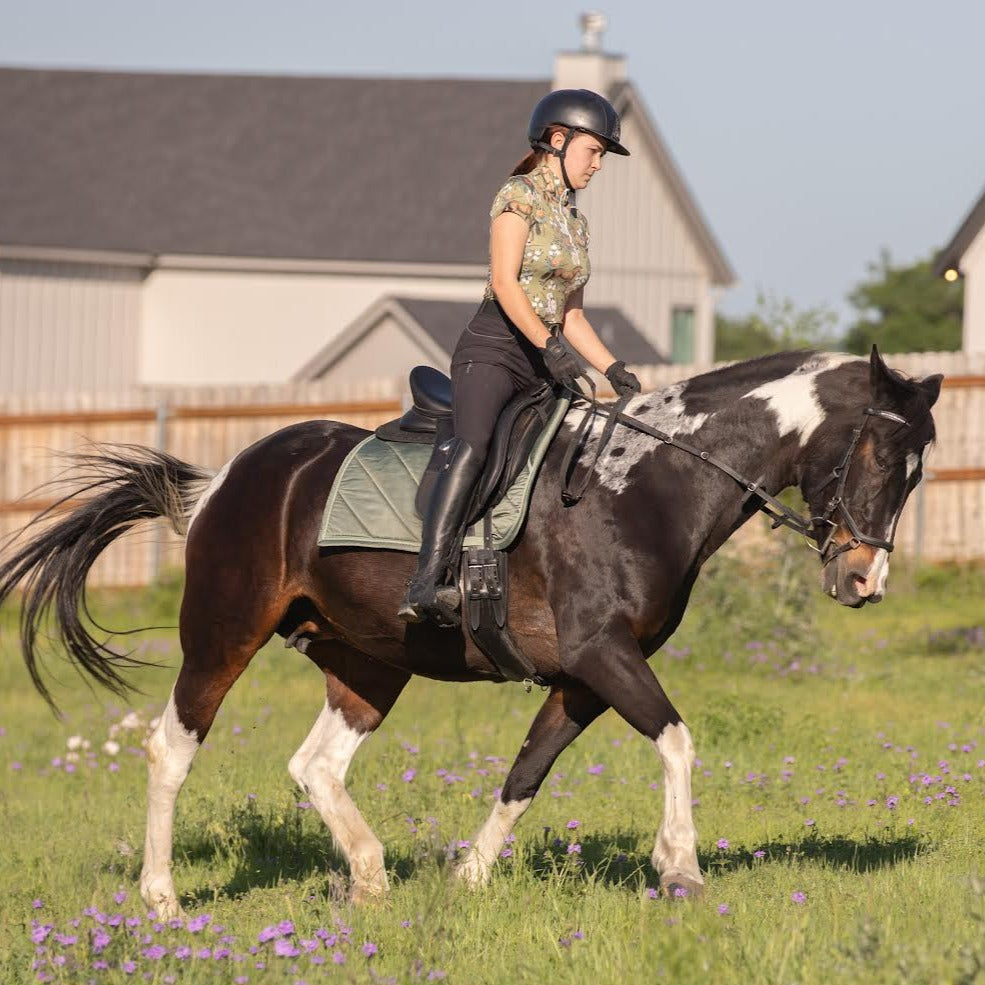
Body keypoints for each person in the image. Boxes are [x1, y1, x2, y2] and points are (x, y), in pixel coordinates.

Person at [397, 88, 642, 627]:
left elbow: (572, 315)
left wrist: (613, 368)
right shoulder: (517, 197)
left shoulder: (575, 222)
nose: (598, 165)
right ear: (558, 140)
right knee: (475, 444)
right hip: (494, 350)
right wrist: (547, 345)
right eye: (593, 151)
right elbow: (506, 285)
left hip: (542, 360)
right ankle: (425, 580)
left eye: (602, 155)